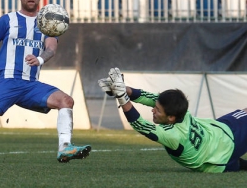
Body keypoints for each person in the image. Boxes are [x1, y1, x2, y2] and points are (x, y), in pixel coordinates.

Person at [0, 0, 91, 163]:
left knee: (66, 101)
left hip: (30, 85)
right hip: (7, 83)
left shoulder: (48, 22)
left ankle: (65, 147)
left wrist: (40, 58)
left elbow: (51, 48)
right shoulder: (7, 20)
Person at [98, 67, 247, 173]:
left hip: (224, 143)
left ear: (171, 117)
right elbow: (146, 98)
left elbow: (140, 125)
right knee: (236, 164)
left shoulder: (173, 134)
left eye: (157, 110)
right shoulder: (179, 111)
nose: (153, 110)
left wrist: (122, 96)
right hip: (220, 152)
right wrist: (122, 89)